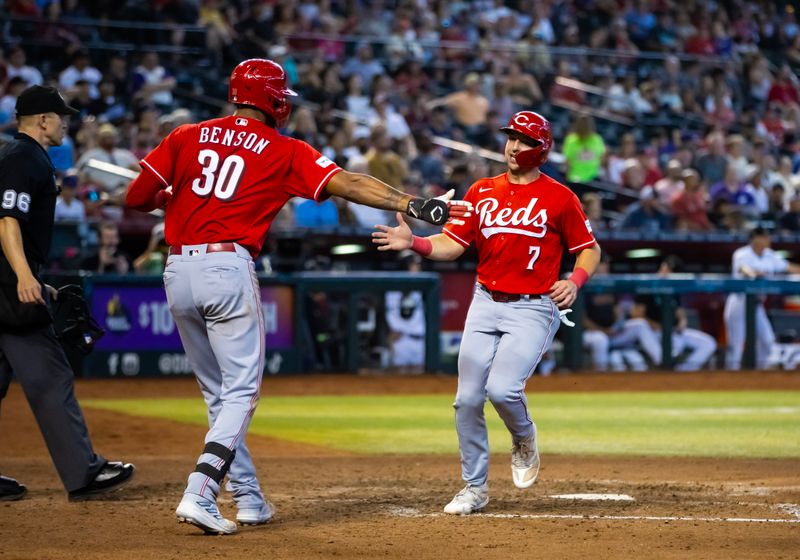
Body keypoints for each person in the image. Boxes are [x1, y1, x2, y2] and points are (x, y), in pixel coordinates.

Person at [125, 58, 470, 535]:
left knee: (217, 394)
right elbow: (348, 182)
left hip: (177, 267)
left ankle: (247, 497)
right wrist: (409, 203)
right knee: (242, 392)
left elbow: (136, 197)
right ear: (274, 99)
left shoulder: (186, 134)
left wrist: (175, 197)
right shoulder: (282, 148)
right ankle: (201, 491)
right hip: (227, 265)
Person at [373, 110, 601, 515]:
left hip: (533, 307)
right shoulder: (481, 191)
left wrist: (575, 280)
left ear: (542, 148)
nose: (514, 146)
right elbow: (451, 245)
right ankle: (474, 487)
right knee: (466, 400)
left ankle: (523, 437)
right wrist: (415, 244)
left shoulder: (560, 197)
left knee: (503, 390)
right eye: (512, 137)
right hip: (485, 300)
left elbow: (589, 247)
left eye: (525, 140)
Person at [0, 85, 134, 502]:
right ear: (43, 120)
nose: (66, 123)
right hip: (8, 285)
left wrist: (33, 276)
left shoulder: (12, 155)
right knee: (51, 374)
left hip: (7, 278)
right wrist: (24, 277)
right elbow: (7, 221)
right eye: (62, 116)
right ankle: (83, 472)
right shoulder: (26, 158)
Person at [724, 227, 800, 370]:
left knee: (767, 341)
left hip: (756, 304)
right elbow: (743, 269)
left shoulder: (769, 255)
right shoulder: (742, 253)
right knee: (735, 343)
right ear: (755, 239)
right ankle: (730, 378)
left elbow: (788, 267)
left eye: (768, 237)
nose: (768, 240)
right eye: (764, 237)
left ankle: (758, 375)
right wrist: (753, 273)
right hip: (739, 302)